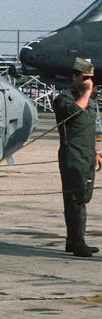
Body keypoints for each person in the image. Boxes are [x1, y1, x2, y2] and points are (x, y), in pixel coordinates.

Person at [52, 57, 102, 258]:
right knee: (76, 199)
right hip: (73, 156)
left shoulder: (88, 101)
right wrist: (88, 92)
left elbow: (90, 129)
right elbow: (73, 112)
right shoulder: (64, 99)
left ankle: (72, 241)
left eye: (92, 77)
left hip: (88, 156)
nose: (90, 81)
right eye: (85, 77)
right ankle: (78, 243)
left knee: (83, 197)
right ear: (75, 77)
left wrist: (97, 152)